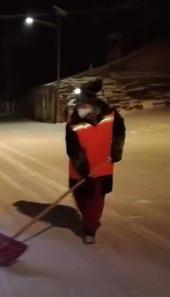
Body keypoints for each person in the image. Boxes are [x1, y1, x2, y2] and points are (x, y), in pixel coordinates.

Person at [66, 79, 126, 244]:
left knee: (96, 199)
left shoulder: (112, 116)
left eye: (84, 105)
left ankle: (89, 228)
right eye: (80, 105)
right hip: (79, 168)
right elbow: (72, 148)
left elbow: (119, 133)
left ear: (94, 104)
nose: (81, 108)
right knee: (80, 197)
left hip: (102, 166)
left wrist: (116, 151)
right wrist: (83, 167)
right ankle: (89, 219)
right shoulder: (73, 123)